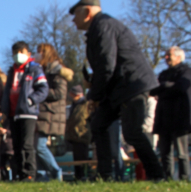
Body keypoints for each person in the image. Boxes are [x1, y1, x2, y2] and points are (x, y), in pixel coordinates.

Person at [70, 0, 164, 181]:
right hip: (119, 87)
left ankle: (156, 174)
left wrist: (94, 96)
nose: (73, 20)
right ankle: (104, 175)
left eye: (75, 14)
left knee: (132, 132)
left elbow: (107, 65)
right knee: (98, 124)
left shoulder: (103, 26)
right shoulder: (100, 27)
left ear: (87, 12)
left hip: (132, 85)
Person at [1, 42, 49, 181]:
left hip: (28, 112)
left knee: (26, 144)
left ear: (28, 53)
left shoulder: (35, 69)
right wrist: (5, 108)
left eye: (21, 52)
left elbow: (43, 89)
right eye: (15, 52)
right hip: (13, 113)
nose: (18, 55)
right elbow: (7, 91)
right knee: (16, 145)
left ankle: (29, 174)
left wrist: (30, 100)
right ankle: (19, 174)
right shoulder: (12, 71)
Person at [150, 46, 191, 181]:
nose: (166, 58)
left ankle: (184, 179)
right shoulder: (163, 74)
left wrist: (164, 87)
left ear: (178, 57)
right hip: (163, 118)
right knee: (165, 152)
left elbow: (181, 87)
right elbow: (153, 90)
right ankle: (168, 178)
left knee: (182, 152)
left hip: (180, 118)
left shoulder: (186, 71)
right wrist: (166, 86)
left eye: (169, 55)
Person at [35, 43, 73, 181]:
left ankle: (56, 171)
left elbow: (59, 93)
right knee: (36, 146)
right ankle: (42, 175)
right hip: (42, 113)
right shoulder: (41, 71)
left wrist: (40, 91)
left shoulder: (58, 71)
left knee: (39, 146)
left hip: (50, 114)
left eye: (40, 52)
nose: (37, 54)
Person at [65, 85, 92, 180]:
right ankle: (78, 176)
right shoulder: (73, 105)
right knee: (76, 158)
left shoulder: (85, 104)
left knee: (82, 158)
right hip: (74, 136)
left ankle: (83, 176)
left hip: (82, 135)